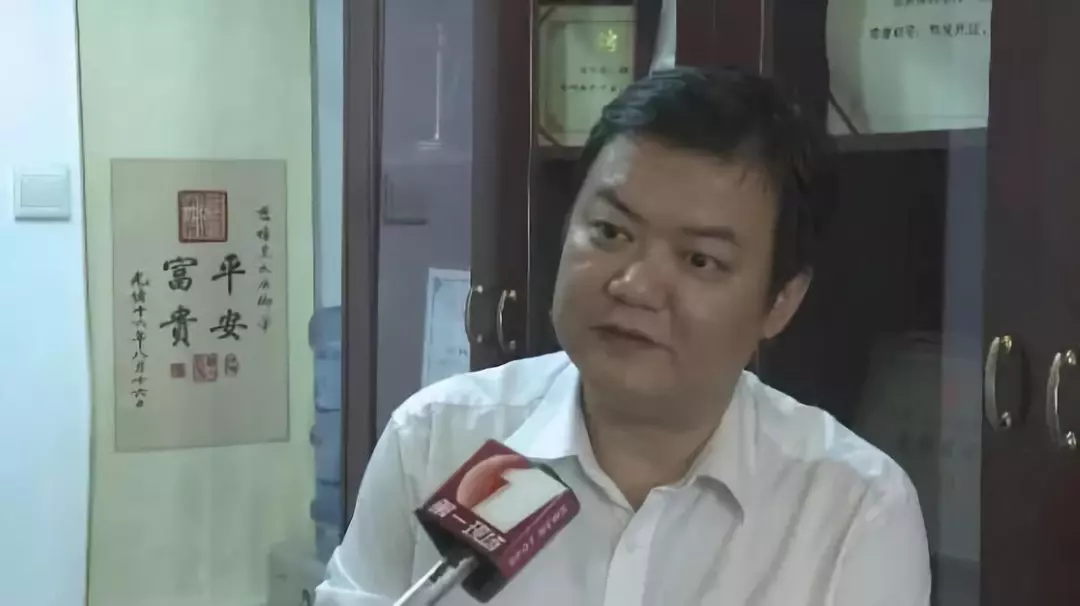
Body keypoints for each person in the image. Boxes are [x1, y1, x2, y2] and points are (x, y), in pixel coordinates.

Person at [316, 66, 930, 606]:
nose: (634, 285)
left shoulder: (852, 508)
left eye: (700, 260)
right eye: (610, 232)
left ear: (781, 301)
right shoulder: (436, 440)